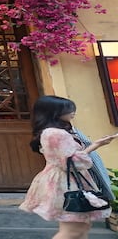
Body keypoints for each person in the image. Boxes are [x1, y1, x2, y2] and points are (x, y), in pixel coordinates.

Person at [19, 95, 117, 239]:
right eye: (68, 109)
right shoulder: (56, 133)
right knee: (73, 231)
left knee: (81, 228)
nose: (73, 112)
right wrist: (96, 145)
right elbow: (71, 161)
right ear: (54, 112)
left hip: (65, 180)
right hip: (67, 182)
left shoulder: (54, 131)